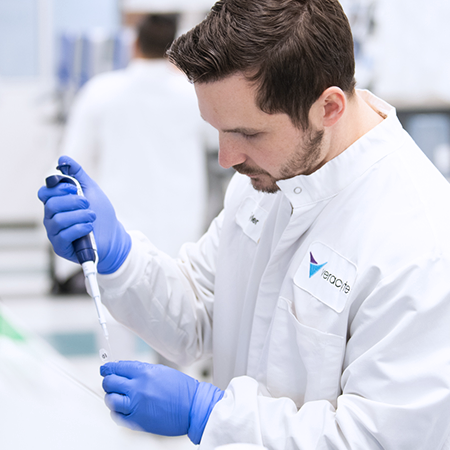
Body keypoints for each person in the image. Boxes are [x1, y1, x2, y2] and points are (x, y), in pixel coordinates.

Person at [38, 0, 450, 448]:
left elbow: (376, 438)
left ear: (328, 108)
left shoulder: (418, 242)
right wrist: (119, 257)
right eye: (217, 129)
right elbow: (199, 311)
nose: (226, 158)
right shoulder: (271, 180)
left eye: (247, 133)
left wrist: (211, 414)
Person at [52, 13, 211, 293]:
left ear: (134, 44)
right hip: (179, 226)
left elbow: (69, 162)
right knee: (179, 316)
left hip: (118, 230)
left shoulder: (100, 92)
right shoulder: (194, 94)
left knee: (116, 319)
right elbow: (220, 141)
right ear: (176, 46)